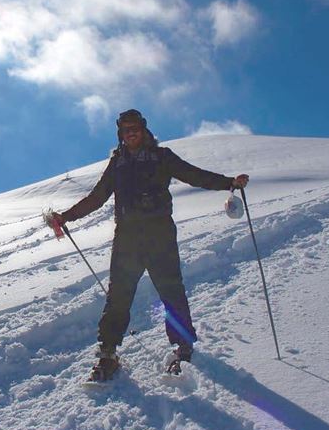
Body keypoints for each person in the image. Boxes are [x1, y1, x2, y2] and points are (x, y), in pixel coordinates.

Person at [52, 109, 249, 381]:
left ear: (144, 130)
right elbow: (97, 196)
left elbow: (194, 175)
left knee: (170, 290)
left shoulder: (162, 157)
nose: (131, 133)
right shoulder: (117, 163)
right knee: (118, 295)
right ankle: (108, 353)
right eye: (125, 130)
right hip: (127, 238)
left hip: (160, 235)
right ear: (121, 135)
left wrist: (228, 183)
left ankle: (182, 348)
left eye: (135, 128)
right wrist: (66, 217)